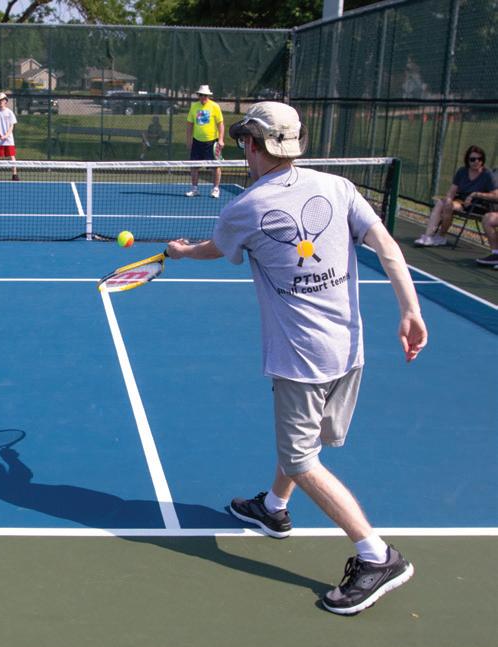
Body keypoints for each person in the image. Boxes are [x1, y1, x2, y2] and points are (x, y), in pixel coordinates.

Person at [165, 102, 427, 615]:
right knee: (302, 440)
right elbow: (387, 246)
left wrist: (182, 252)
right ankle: (274, 507)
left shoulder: (245, 208)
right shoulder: (339, 187)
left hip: (300, 360)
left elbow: (218, 248)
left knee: (303, 458)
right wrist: (410, 311)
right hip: (349, 350)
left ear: (252, 145)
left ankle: (377, 556)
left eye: (244, 142)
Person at [415, 145, 496, 247]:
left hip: (476, 205)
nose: (476, 162)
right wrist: (449, 199)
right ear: (467, 160)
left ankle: (441, 236)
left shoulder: (487, 174)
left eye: (479, 159)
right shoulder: (462, 171)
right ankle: (428, 236)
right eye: (473, 159)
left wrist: (476, 194)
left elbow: (495, 195)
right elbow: (452, 190)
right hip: (460, 202)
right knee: (442, 203)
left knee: (447, 205)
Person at [185, 84, 224, 198]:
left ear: (208, 96)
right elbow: (189, 124)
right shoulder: (194, 107)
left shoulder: (215, 106)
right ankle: (195, 189)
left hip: (212, 142)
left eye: (205, 95)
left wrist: (221, 139)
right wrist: (189, 140)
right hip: (197, 142)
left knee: (215, 166)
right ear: (198, 95)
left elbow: (220, 124)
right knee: (194, 166)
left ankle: (215, 189)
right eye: (201, 95)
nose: (203, 97)